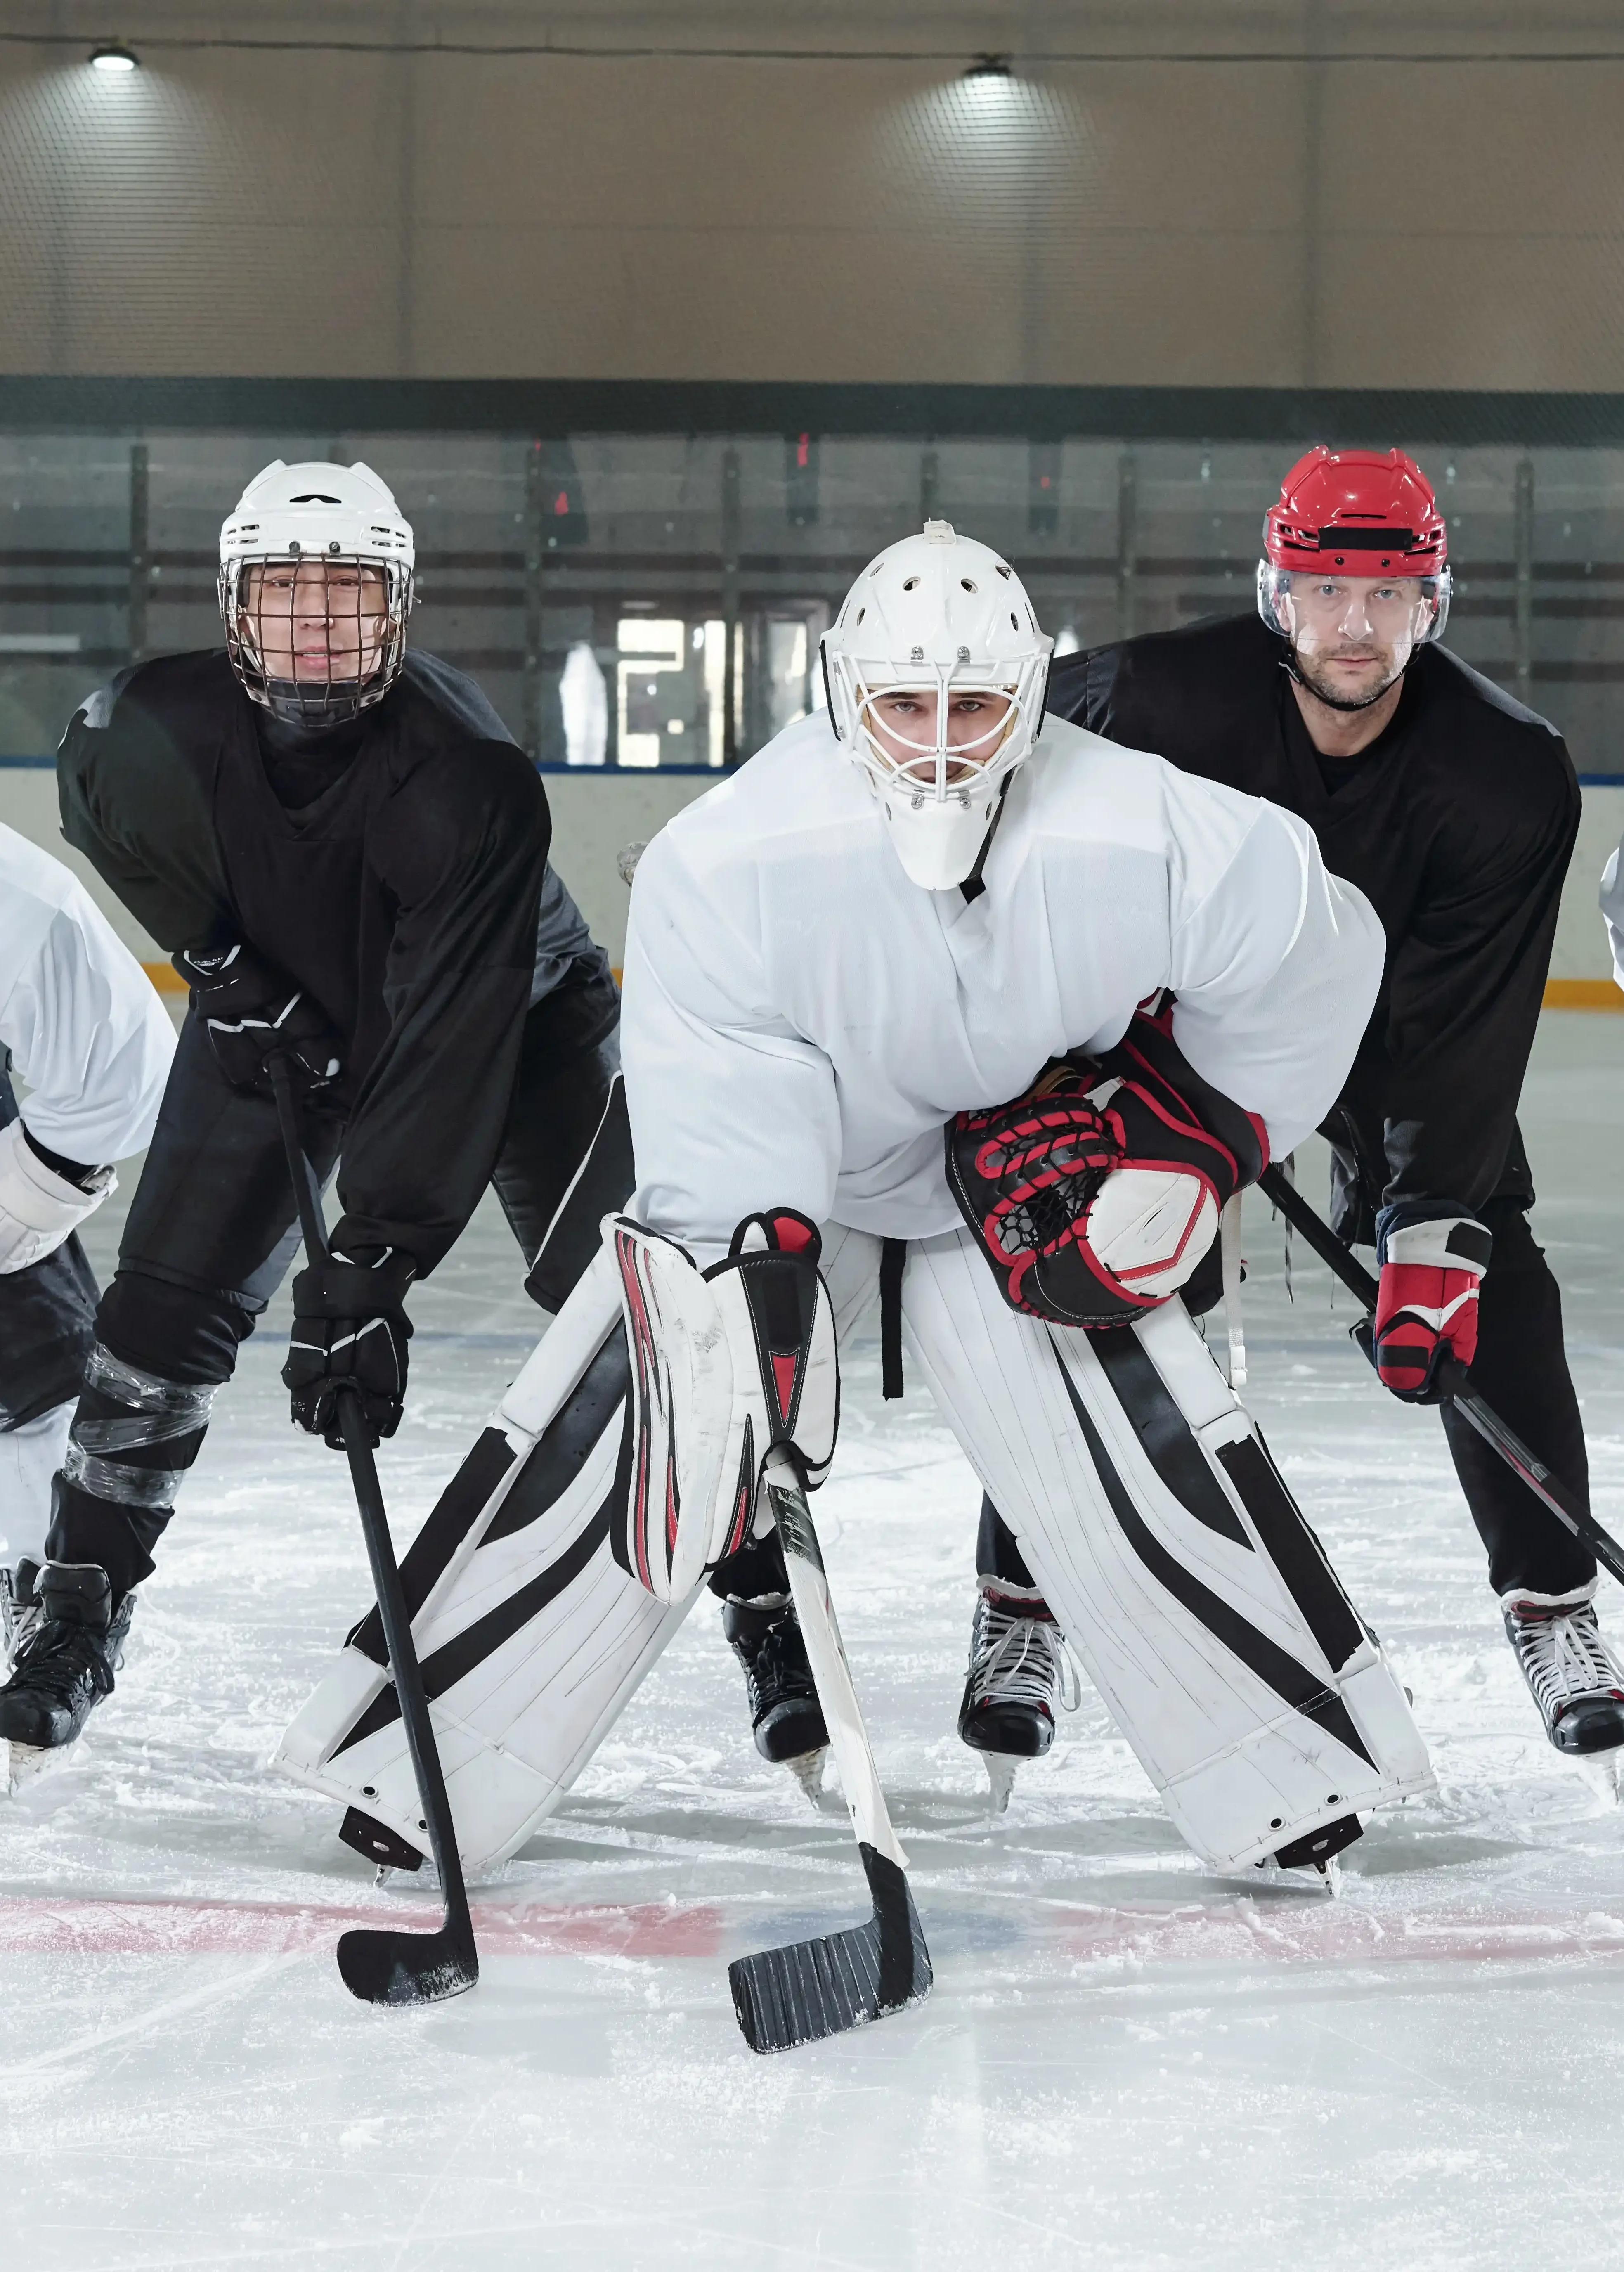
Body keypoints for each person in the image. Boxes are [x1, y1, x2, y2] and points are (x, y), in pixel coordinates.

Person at [278, 521, 1431, 1887]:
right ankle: (416, 1770)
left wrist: (1181, 1133)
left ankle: (1290, 1774)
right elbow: (724, 1096)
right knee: (656, 1417)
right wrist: (754, 1280)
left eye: (972, 706)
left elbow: (1316, 951)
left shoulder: (1146, 831)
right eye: (903, 706)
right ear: (840, 693)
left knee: (1131, 1436)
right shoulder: (729, 858)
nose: (938, 744)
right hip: (795, 1182)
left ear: (1030, 696)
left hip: (1014, 1177)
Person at [961, 444, 1606, 1782]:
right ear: (1276, 593)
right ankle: (1023, 1600)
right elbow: (994, 811)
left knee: (1490, 1269)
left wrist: (1429, 1226)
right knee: (1101, 1267)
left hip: (1381, 1031)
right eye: (1324, 590)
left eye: (1386, 594)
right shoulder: (1145, 703)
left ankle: (1554, 1605)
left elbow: (1460, 1030)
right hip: (1168, 1025)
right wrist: (1046, 1062)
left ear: (1431, 604)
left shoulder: (1503, 772)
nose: (1353, 624)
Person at [0, 459, 619, 1779]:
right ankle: (76, 1609)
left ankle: (755, 1593)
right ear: (237, 606)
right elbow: (100, 811)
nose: (320, 623)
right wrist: (224, 971)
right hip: (280, 1008)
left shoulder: (466, 780)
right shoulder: (140, 730)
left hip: (508, 1023)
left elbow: (443, 1047)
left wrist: (373, 1263)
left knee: (630, 1309)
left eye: (351, 593)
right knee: (155, 1317)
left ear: (399, 607)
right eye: (287, 593)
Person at [0, 825, 174, 1686]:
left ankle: (55, 1595)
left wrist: (21, 1201)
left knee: (30, 1375)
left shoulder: (15, 899)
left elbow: (125, 1065)